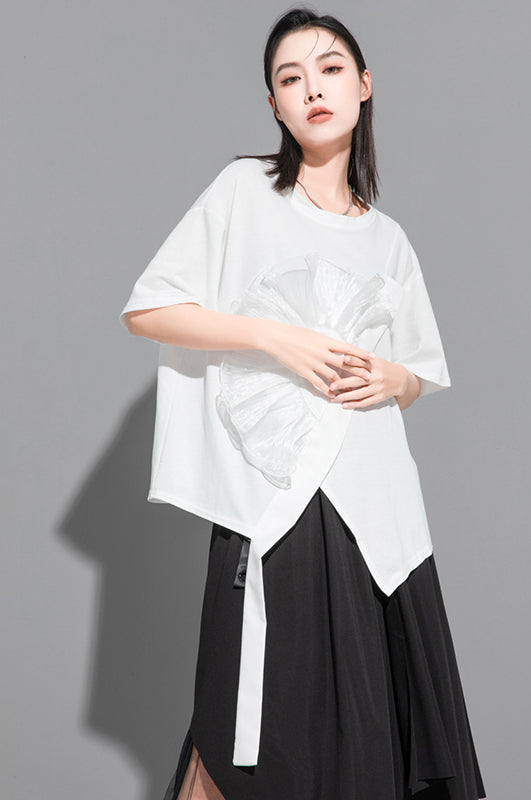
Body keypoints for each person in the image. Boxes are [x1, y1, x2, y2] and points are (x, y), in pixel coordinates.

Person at [119, 7, 486, 800]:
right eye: (290, 79)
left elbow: (417, 374)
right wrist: (274, 338)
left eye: (329, 69)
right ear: (276, 107)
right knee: (249, 742)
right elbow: (149, 310)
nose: (312, 89)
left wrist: (393, 380)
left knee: (370, 748)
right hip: (275, 506)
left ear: (364, 85)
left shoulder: (389, 239)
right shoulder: (244, 191)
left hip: (380, 519)